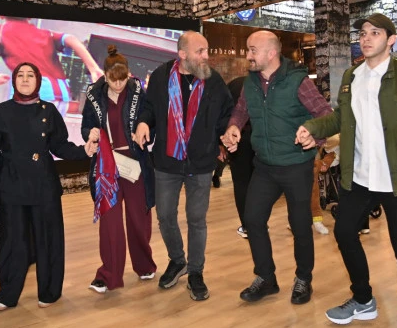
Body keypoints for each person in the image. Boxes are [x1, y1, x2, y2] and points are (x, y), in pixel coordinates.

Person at [295, 13, 397, 328]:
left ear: (391, 39)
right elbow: (340, 118)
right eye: (363, 34)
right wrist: (312, 128)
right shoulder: (351, 76)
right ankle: (363, 299)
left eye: (375, 33)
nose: (366, 38)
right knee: (344, 233)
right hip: (359, 176)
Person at [222, 30, 333, 305]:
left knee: (300, 225)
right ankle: (266, 278)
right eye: (248, 49)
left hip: (296, 165)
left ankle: (303, 278)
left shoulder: (298, 81)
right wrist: (234, 126)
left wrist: (315, 136)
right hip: (264, 166)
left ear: (271, 53)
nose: (247, 55)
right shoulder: (251, 82)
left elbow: (326, 115)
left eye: (252, 50)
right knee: (252, 219)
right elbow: (241, 110)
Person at [0, 62, 97, 311]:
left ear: (38, 80)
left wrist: (84, 151)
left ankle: (50, 291)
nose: (25, 79)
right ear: (14, 80)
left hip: (44, 186)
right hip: (10, 187)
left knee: (48, 240)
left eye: (30, 75)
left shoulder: (49, 111)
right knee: (13, 242)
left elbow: (60, 146)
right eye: (20, 75)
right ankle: (8, 294)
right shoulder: (1, 112)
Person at [133, 31, 233, 301]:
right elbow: (149, 108)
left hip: (201, 163)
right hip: (167, 162)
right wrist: (143, 122)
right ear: (183, 54)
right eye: (200, 51)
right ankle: (178, 260)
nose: (206, 56)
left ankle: (196, 271)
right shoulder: (161, 76)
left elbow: (226, 114)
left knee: (197, 219)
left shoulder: (213, 80)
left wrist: (229, 132)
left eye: (207, 50)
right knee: (165, 216)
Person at [81, 46, 157, 294]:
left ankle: (144, 265)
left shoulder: (137, 91)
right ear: (104, 76)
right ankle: (108, 275)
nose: (118, 85)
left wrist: (144, 125)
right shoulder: (94, 95)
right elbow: (86, 126)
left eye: (122, 79)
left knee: (138, 219)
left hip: (134, 163)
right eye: (113, 80)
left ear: (129, 74)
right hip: (107, 165)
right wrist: (91, 134)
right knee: (110, 222)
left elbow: (150, 115)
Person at [0, 17, 104, 113]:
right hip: (60, 96)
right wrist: (94, 68)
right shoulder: (44, 33)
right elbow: (70, 38)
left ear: (1, 16)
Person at [226, 76, 254, 239]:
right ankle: (258, 223)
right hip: (258, 137)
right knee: (257, 182)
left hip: (236, 137)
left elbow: (225, 112)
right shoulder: (258, 84)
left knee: (241, 183)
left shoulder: (232, 85)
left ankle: (247, 225)